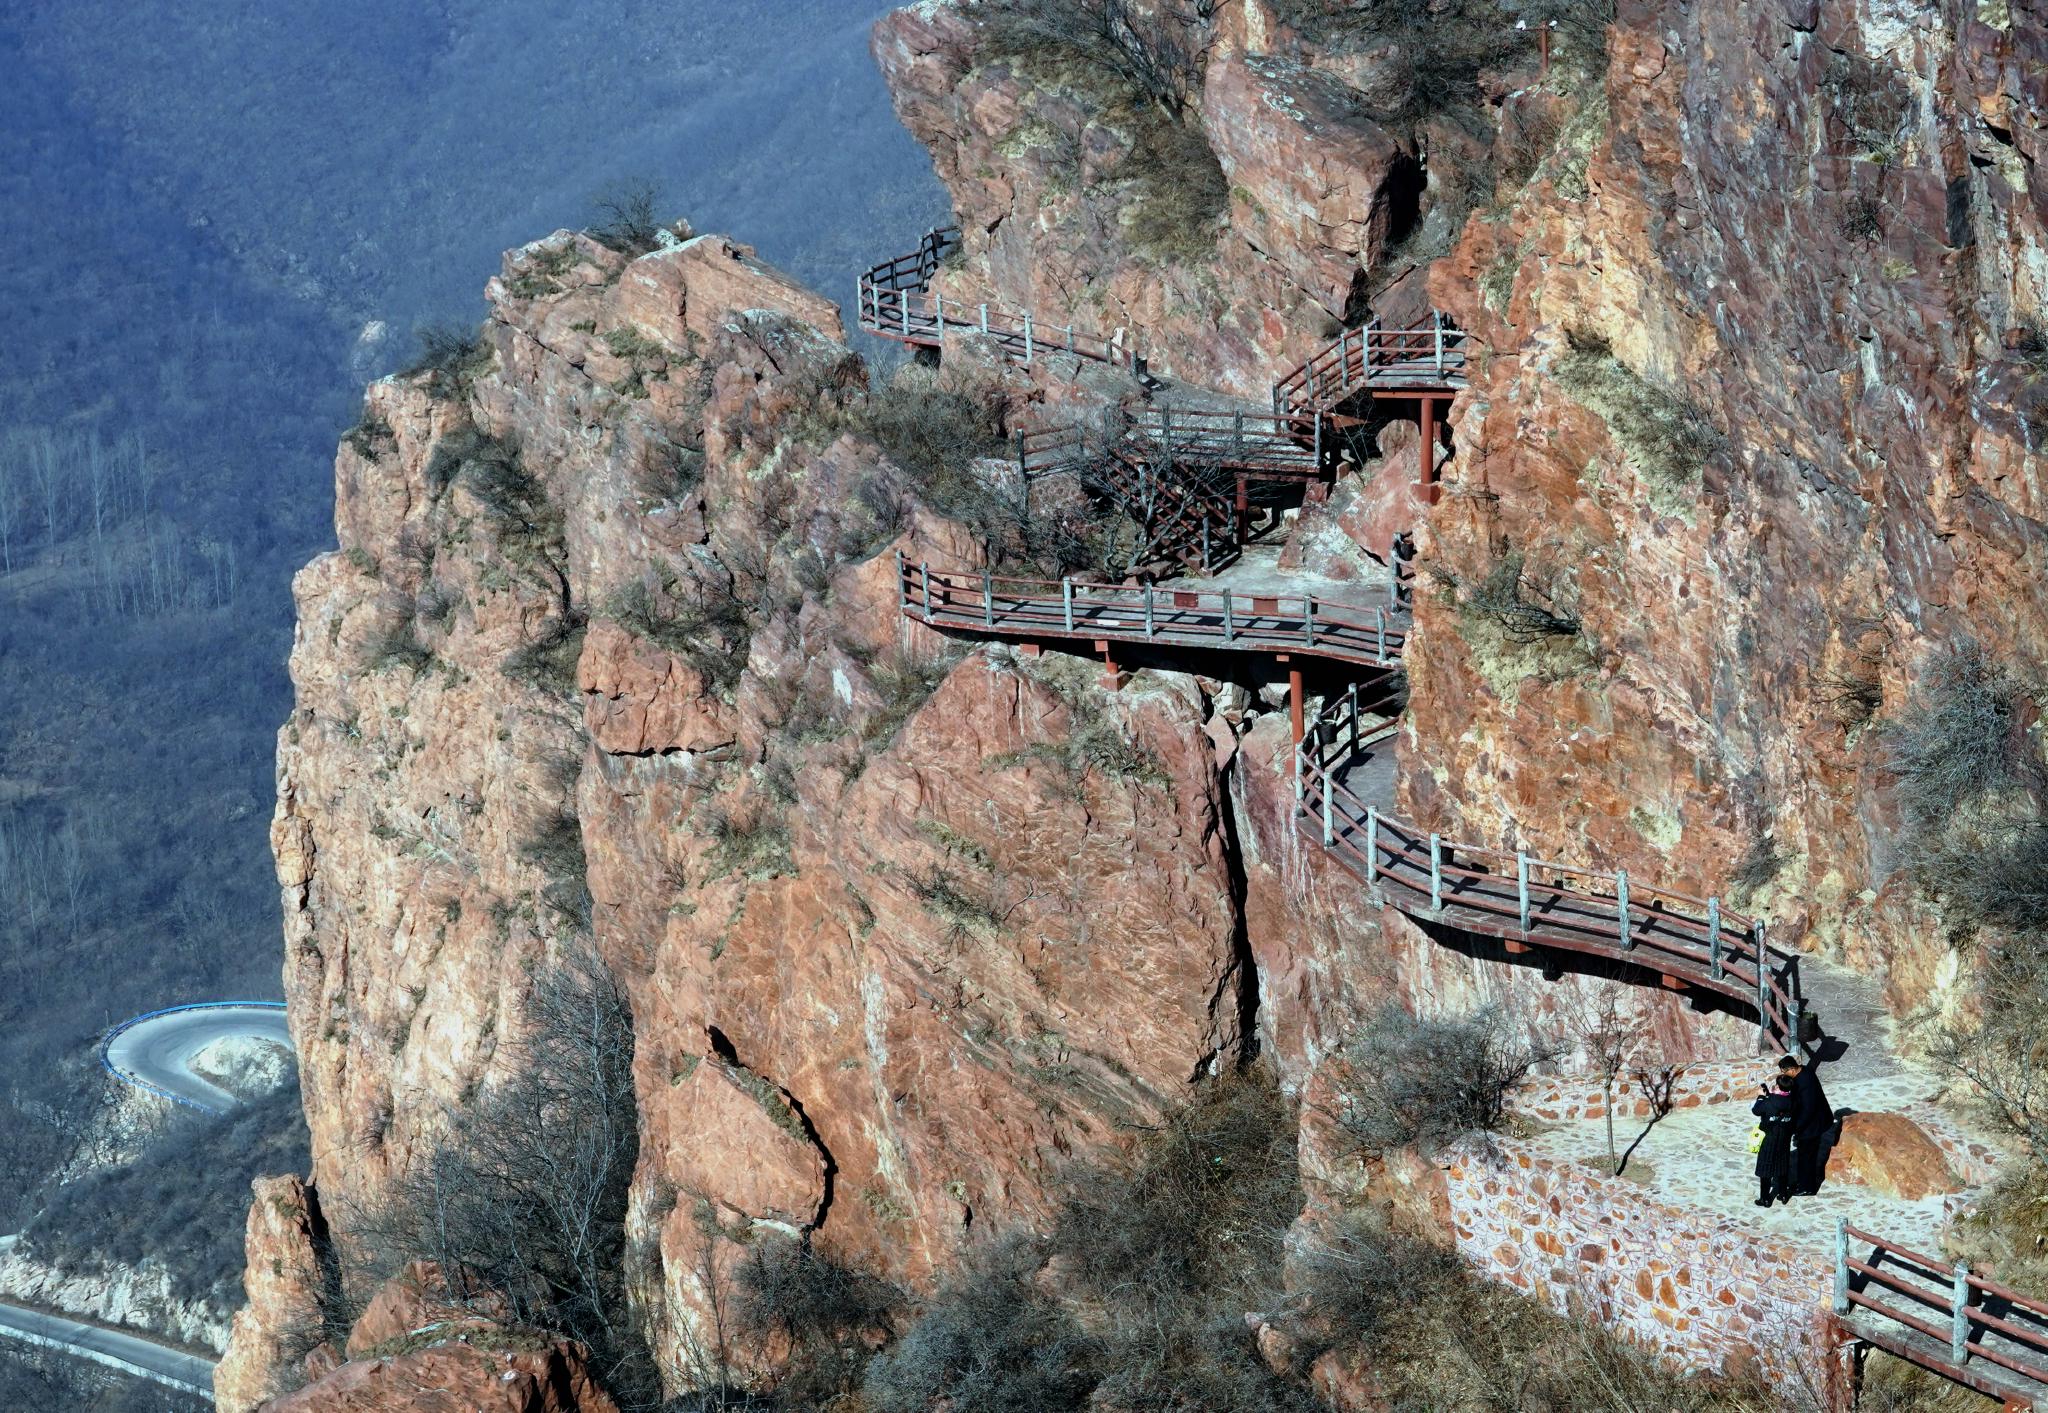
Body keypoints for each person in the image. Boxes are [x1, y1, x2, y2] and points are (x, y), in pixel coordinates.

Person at [1781, 1052, 1835, 1194]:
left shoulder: (1805, 1083)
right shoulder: (1805, 1070)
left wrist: (1796, 1128)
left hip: (1812, 1126)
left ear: (1792, 1069)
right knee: (1805, 1156)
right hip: (1813, 1122)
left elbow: (1808, 1110)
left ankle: (1807, 1188)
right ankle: (1802, 1182)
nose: (1784, 1075)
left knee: (1807, 1157)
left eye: (1785, 1072)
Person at [1752, 1075, 1797, 1206]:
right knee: (1782, 1166)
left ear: (1778, 1086)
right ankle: (1783, 1194)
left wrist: (1761, 1097)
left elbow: (1756, 1110)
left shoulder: (1769, 1102)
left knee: (1765, 1169)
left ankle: (1765, 1199)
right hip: (1784, 1138)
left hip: (1769, 1139)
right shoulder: (1793, 1100)